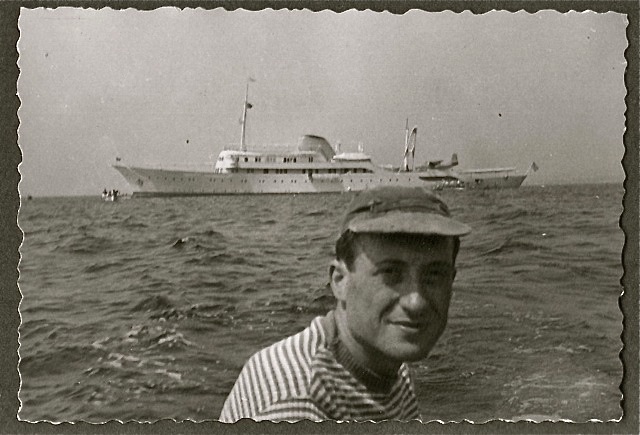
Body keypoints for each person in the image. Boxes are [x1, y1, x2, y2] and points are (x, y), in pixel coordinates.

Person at [218, 185, 471, 422]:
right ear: (340, 282)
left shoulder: (388, 363)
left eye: (434, 275)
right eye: (391, 273)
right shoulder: (297, 405)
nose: (416, 302)